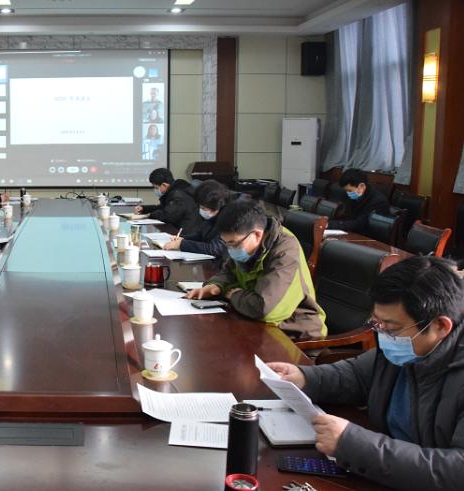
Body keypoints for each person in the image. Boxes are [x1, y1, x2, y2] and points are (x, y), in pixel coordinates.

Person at [268, 256, 464, 491]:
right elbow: (356, 375)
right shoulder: (405, 347)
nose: (383, 335)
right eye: (377, 324)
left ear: (441, 326)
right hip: (386, 473)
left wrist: (352, 444)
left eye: (392, 328)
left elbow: (456, 471)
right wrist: (304, 377)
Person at [187, 199, 327, 339]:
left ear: (257, 234)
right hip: (256, 322)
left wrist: (235, 295)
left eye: (233, 244)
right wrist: (216, 285)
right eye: (226, 243)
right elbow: (228, 272)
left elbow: (265, 309)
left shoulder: (285, 251)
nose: (230, 249)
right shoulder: (246, 245)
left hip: (294, 331)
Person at [163, 179, 228, 258]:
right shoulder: (211, 217)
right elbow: (201, 236)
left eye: (204, 208)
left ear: (215, 207)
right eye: (200, 207)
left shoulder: (227, 219)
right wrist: (183, 239)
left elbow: (215, 249)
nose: (201, 210)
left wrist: (181, 244)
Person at [134, 168, 201, 234]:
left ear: (164, 185)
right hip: (179, 229)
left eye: (156, 188)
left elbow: (167, 216)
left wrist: (149, 215)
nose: (155, 190)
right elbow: (163, 208)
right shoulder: (175, 190)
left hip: (186, 234)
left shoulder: (178, 196)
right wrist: (144, 209)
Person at [327, 168, 389, 236]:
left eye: (350, 191)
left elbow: (361, 223)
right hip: (352, 233)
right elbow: (346, 216)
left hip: (368, 237)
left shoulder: (378, 202)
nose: (348, 193)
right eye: (346, 191)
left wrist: (332, 224)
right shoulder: (349, 195)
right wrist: (327, 222)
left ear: (361, 186)